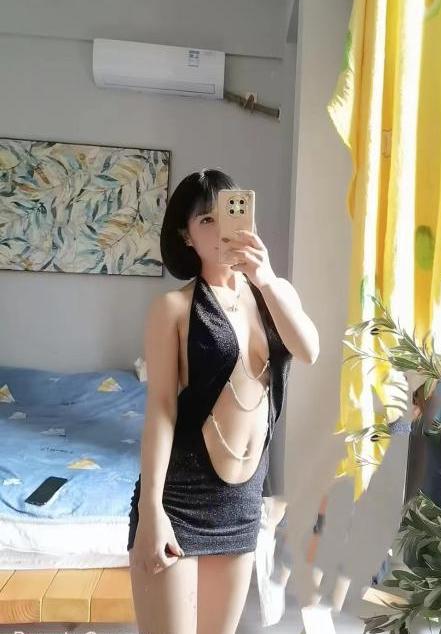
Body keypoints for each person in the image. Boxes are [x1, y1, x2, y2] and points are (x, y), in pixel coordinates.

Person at [127, 168, 320, 634]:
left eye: (228, 215)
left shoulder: (274, 293)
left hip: (241, 502)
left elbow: (309, 350)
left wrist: (265, 277)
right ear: (186, 235)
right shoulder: (173, 309)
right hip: (180, 498)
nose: (220, 231)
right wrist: (152, 510)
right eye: (206, 221)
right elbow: (161, 410)